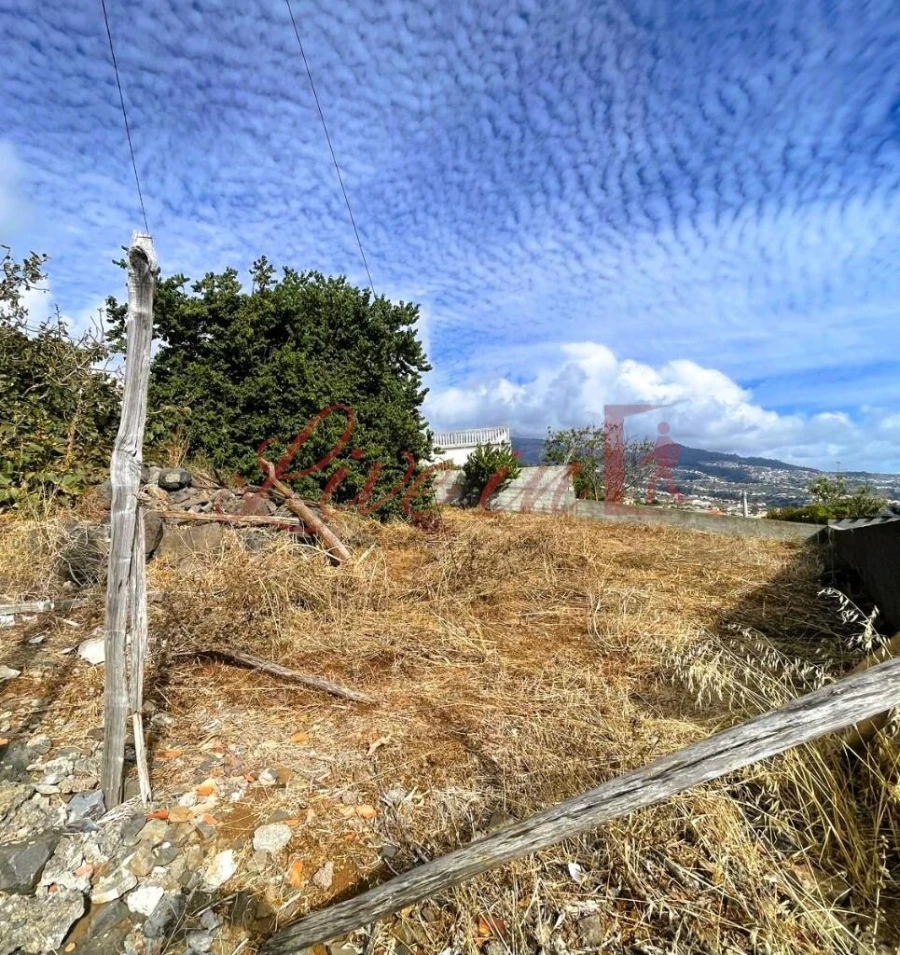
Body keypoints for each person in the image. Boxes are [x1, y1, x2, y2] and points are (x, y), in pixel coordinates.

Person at [642, 422, 683, 504]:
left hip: (661, 463)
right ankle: (677, 498)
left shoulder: (663, 439)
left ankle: (650, 498)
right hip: (661, 463)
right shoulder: (663, 439)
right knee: (665, 481)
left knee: (655, 481)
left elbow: (655, 451)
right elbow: (675, 448)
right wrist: (673, 459)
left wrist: (672, 459)